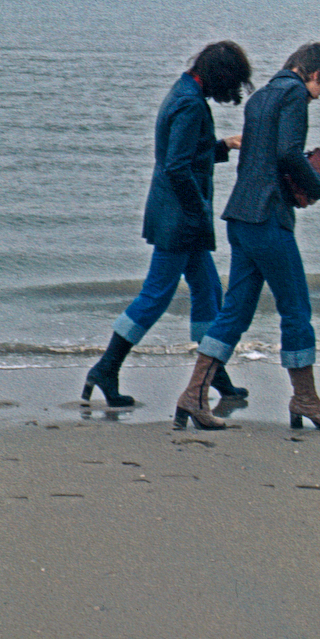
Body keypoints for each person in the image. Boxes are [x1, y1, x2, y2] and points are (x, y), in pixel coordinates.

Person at [174, 41, 320, 431]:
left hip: (240, 217)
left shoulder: (262, 97)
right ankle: (305, 399)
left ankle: (194, 395)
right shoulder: (295, 96)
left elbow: (259, 155)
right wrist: (316, 187)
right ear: (313, 74)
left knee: (235, 312)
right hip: (268, 219)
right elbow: (287, 154)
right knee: (296, 308)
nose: (319, 95)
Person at [81, 40, 253, 408]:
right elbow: (177, 166)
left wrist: (224, 145)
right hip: (179, 220)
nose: (233, 92)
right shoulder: (191, 103)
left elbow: (188, 154)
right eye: (233, 82)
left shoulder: (185, 89)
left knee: (208, 291)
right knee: (156, 296)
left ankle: (214, 373)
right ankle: (106, 368)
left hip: (177, 215)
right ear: (221, 76)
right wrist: (196, 210)